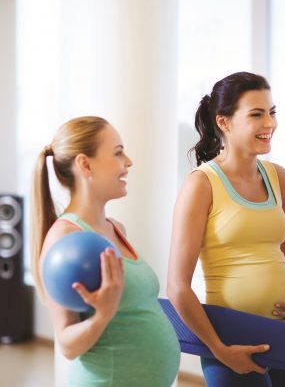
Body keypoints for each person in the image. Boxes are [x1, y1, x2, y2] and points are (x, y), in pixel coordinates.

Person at [167, 72, 285, 386]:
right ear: (224, 122)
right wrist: (218, 349)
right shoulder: (202, 184)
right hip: (230, 339)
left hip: (283, 335)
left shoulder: (279, 177)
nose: (269, 123)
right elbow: (178, 286)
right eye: (256, 114)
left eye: (272, 113)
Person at [30, 116, 180, 386]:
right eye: (118, 152)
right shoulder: (64, 238)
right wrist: (102, 316)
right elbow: (67, 344)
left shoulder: (116, 228)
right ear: (84, 164)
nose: (129, 162)